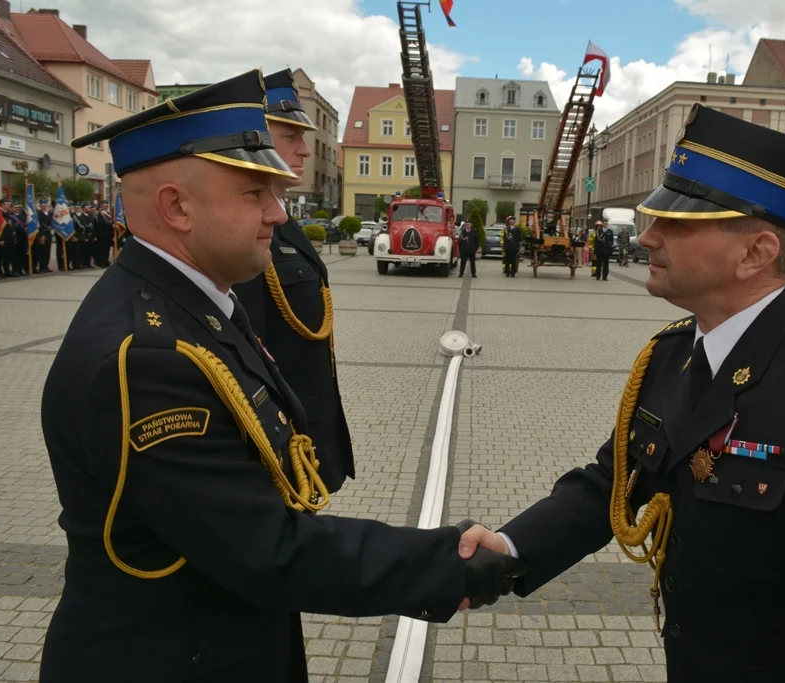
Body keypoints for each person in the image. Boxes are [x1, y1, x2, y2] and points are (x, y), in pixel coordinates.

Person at [40, 69, 525, 683]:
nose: (278, 212)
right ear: (176, 206)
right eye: (254, 193)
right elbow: (266, 549)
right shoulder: (148, 355)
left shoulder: (199, 304)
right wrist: (446, 563)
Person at [460, 104, 785, 682]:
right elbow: (611, 484)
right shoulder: (672, 355)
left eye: (678, 225)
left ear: (756, 253)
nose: (646, 237)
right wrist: (510, 548)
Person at [232, 69, 354, 495]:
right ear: (254, 138)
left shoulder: (282, 222)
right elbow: (246, 355)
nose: (304, 150)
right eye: (289, 137)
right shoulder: (244, 229)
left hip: (306, 427)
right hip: (278, 442)